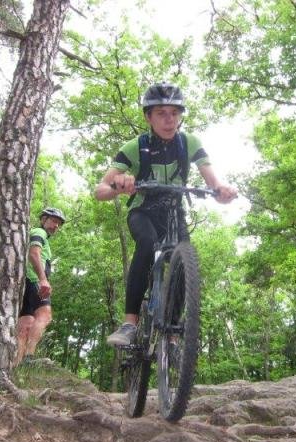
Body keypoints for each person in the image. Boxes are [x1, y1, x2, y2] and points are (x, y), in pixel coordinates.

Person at [95, 82, 237, 346]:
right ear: (148, 117)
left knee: (184, 262)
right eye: (161, 113)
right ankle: (129, 323)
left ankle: (172, 328)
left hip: (174, 214)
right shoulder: (135, 147)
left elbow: (213, 181)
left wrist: (222, 190)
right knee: (147, 245)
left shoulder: (189, 143)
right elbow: (100, 190)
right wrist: (118, 185)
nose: (169, 120)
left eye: (174, 113)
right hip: (143, 211)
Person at [14, 207, 66, 366]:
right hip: (34, 279)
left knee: (25, 324)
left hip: (26, 281)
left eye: (58, 224)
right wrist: (43, 279)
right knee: (45, 315)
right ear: (43, 219)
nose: (55, 226)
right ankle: (29, 357)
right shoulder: (39, 232)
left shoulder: (39, 233)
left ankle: (18, 362)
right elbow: (34, 253)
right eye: (53, 221)